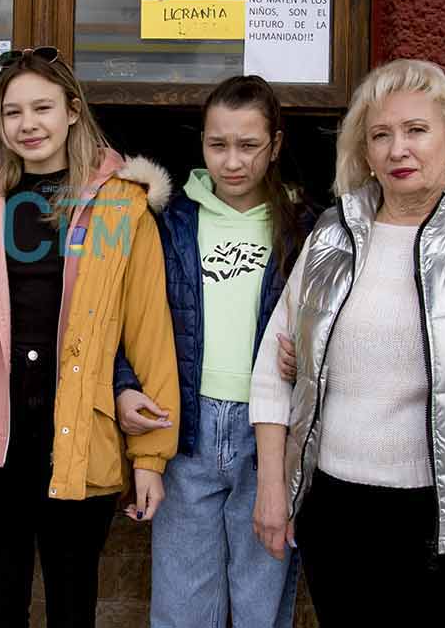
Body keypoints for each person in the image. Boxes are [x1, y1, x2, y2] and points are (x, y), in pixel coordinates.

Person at [251, 58, 445, 626]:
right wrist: (273, 490)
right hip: (336, 509)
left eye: (417, 131)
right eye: (381, 135)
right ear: (365, 154)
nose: (399, 148)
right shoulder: (332, 236)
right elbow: (273, 370)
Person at [0, 46, 180, 628]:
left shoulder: (122, 207)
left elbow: (149, 330)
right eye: (12, 113)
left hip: (80, 438)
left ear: (73, 111)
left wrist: (150, 456)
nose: (28, 124)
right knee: (0, 609)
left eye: (43, 108)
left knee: (72, 608)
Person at [111, 75, 308, 628]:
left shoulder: (305, 227)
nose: (233, 161)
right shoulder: (168, 222)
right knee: (182, 607)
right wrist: (124, 383)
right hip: (183, 426)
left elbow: (340, 322)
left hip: (270, 433)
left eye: (249, 145)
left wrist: (314, 356)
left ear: (276, 143)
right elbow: (126, 319)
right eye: (218, 144)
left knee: (258, 605)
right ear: (201, 142)